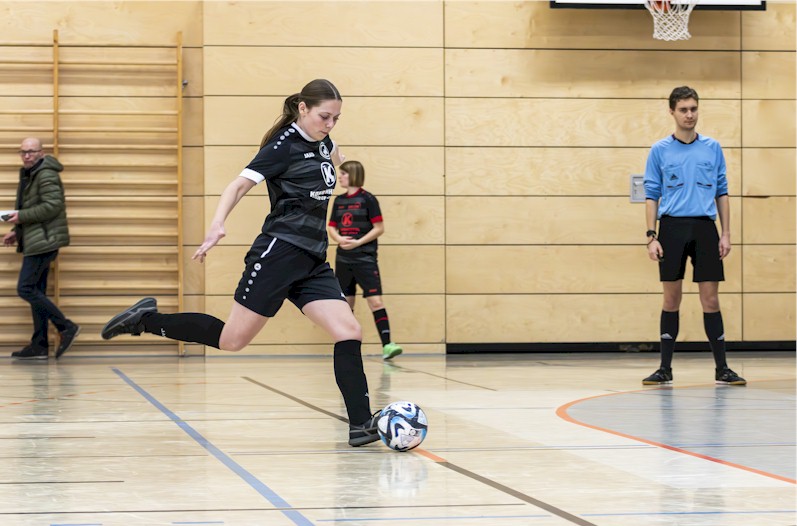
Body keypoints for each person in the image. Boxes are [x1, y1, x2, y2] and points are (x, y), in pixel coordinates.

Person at [100, 79, 382, 446]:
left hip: (313, 259)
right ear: (303, 109)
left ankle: (360, 425)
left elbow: (330, 161)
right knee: (232, 340)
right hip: (279, 254)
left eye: (336, 119)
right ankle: (145, 320)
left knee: (349, 331)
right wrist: (218, 223)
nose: (329, 125)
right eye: (324, 117)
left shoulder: (326, 143)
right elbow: (237, 185)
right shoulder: (281, 146)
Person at [642, 86, 746, 386]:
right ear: (672, 112)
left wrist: (725, 234)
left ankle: (722, 368)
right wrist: (652, 236)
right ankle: (664, 369)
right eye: (684, 109)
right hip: (672, 228)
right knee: (671, 299)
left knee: (710, 299)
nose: (690, 115)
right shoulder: (659, 150)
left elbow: (722, 192)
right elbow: (651, 195)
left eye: (694, 109)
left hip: (704, 229)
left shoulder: (713, 147)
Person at [3, 137, 80, 360]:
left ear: (41, 153)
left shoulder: (45, 174)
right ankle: (39, 344)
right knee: (36, 291)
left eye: (31, 151)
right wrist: (17, 232)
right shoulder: (31, 173)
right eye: (23, 152)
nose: (27, 155)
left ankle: (66, 327)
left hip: (44, 242)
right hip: (37, 239)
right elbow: (33, 207)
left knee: (25, 289)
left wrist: (20, 217)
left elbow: (52, 206)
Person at [327, 160, 403, 361]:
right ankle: (349, 349)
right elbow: (331, 226)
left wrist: (358, 242)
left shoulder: (368, 199)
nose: (340, 177)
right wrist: (340, 239)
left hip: (365, 259)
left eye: (343, 174)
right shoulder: (339, 201)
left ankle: (388, 345)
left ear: (352, 175)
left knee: (376, 302)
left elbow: (379, 228)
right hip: (343, 259)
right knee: (345, 305)